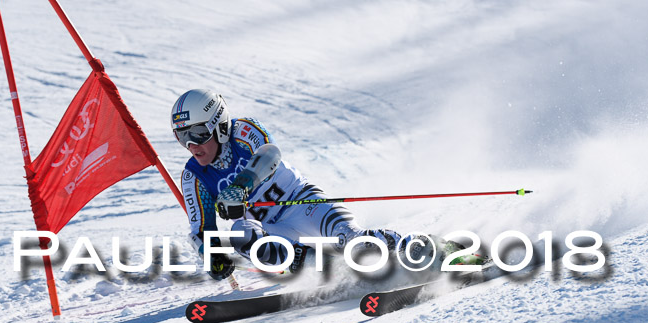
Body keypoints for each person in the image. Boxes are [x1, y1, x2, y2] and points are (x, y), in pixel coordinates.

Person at [172, 89, 474, 281]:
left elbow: (269, 153)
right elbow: (200, 232)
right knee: (242, 235)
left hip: (301, 202)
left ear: (220, 124)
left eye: (197, 133)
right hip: (270, 230)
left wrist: (242, 184)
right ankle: (333, 269)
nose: (191, 145)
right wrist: (213, 256)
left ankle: (435, 250)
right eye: (181, 136)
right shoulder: (193, 177)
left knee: (353, 240)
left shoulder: (243, 131)